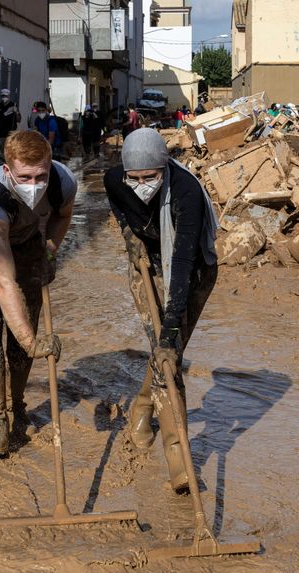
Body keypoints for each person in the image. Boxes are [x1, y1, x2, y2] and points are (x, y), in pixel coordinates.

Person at [103, 128, 218, 493]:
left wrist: (170, 331)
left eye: (149, 177)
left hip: (193, 268)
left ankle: (141, 408)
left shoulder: (185, 193)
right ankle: (179, 461)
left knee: (168, 351)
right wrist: (128, 236)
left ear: (164, 167)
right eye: (134, 178)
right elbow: (118, 203)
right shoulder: (113, 179)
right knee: (166, 360)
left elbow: (182, 262)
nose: (141, 185)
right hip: (147, 264)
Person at [0, 131, 77, 457]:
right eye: (25, 177)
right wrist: (30, 341)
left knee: (28, 320)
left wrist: (49, 253)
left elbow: (63, 216)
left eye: (41, 175)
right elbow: (4, 280)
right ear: (9, 172)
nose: (34, 184)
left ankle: (18, 403)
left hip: (26, 243)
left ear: (50, 166)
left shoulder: (63, 182)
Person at [0, 88, 21, 153]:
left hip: (11, 135)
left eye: (6, 96)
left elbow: (18, 120)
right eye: (3, 96)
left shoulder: (13, 105)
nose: (4, 97)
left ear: (9, 96)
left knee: (10, 153)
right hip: (0, 135)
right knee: (2, 154)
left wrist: (16, 112)